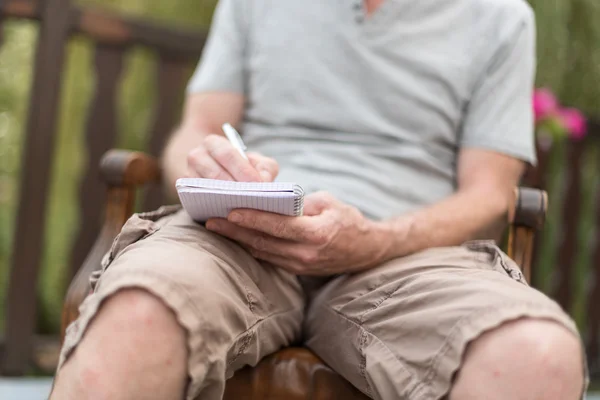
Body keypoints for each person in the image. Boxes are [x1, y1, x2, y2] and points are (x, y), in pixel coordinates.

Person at [50, 0, 587, 399]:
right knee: (135, 313)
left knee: (538, 356)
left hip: (410, 258)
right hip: (242, 237)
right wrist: (208, 163)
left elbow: (491, 192)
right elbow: (196, 129)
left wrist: (376, 241)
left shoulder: (499, 16)